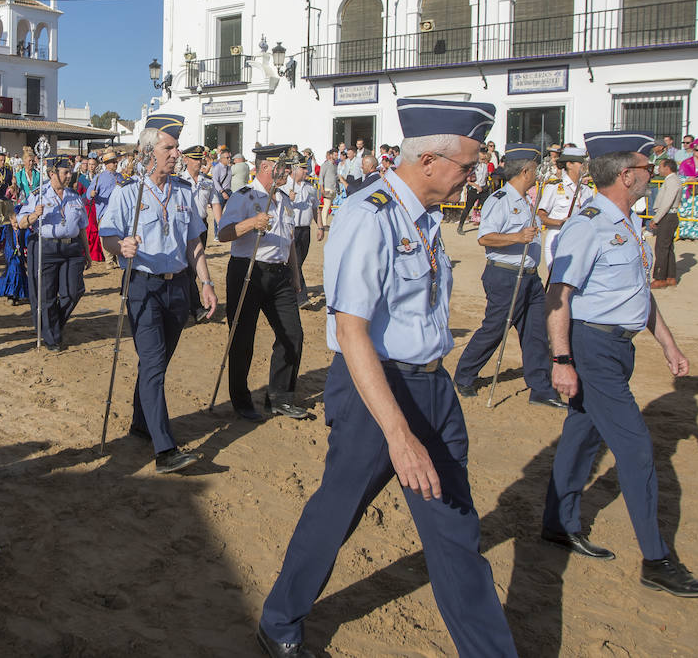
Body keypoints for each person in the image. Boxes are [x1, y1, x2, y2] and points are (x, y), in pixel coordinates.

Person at [259, 98, 517, 658]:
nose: (473, 177)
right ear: (429, 161)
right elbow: (351, 331)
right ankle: (280, 620)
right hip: (374, 389)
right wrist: (398, 435)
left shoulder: (425, 217)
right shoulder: (368, 215)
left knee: (456, 528)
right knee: (338, 511)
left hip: (433, 385)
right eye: (468, 165)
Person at [542, 131, 698, 597]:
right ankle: (657, 560)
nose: (652, 175)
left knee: (582, 434)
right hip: (593, 347)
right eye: (646, 169)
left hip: (619, 346)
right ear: (625, 175)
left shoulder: (628, 222)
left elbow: (637, 294)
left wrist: (669, 345)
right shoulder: (589, 225)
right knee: (637, 449)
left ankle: (558, 522)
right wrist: (561, 359)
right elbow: (558, 294)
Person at [99, 114, 218, 474]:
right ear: (150, 152)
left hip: (178, 287)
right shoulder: (127, 193)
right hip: (143, 287)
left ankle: (141, 422)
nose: (176, 153)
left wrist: (206, 283)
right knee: (153, 363)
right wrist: (121, 246)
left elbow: (194, 243)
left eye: (177, 147)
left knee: (158, 363)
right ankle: (165, 449)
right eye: (170, 147)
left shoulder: (183, 192)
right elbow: (107, 236)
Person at [452, 145, 565, 408]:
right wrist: (517, 237)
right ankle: (465, 374)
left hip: (530, 276)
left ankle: (541, 388)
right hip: (506, 275)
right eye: (535, 169)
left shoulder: (526, 200)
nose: (537, 174)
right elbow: (485, 238)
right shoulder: (500, 199)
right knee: (495, 329)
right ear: (525, 171)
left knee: (536, 333)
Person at [217, 145, 309, 421]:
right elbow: (223, 233)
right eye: (284, 167)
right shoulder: (244, 196)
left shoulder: (284, 199)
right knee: (243, 337)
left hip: (279, 275)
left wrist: (295, 275)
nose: (289, 172)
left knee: (292, 334)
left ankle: (280, 397)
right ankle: (241, 399)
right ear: (267, 167)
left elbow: (289, 241)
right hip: (248, 270)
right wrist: (251, 223)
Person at [18, 155, 89, 350]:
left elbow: (82, 226)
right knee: (46, 295)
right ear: (52, 174)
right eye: (65, 173)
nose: (69, 176)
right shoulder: (38, 194)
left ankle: (52, 324)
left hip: (72, 248)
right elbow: (21, 223)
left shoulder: (74, 196)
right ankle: (51, 337)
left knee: (74, 292)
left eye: (70, 172)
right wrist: (34, 215)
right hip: (46, 247)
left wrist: (87, 252)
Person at [179, 145, 221, 322]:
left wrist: (221, 224)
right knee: (187, 269)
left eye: (200, 159)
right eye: (195, 159)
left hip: (201, 226)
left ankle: (188, 304)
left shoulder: (207, 182)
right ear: (186, 159)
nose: (198, 162)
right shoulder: (178, 180)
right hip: (183, 226)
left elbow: (215, 203)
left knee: (195, 268)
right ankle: (195, 307)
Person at [537, 149, 592, 268]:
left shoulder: (587, 190)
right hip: (558, 238)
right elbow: (541, 216)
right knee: (557, 277)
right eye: (581, 163)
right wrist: (560, 222)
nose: (585, 166)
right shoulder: (555, 187)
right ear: (569, 164)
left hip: (580, 240)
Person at [287, 158, 323, 309]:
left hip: (305, 230)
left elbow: (316, 208)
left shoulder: (310, 188)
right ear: (295, 169)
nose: (306, 171)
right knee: (295, 263)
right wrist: (289, 200)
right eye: (303, 168)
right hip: (290, 229)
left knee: (298, 262)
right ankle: (301, 297)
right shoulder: (285, 186)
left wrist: (320, 227)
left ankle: (290, 290)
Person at [647, 158, 683, 287]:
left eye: (661, 167)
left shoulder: (672, 181)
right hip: (669, 215)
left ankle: (660, 277)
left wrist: (656, 218)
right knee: (668, 247)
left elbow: (667, 202)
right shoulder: (672, 180)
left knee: (661, 248)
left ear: (667, 168)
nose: (659, 169)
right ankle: (670, 276)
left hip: (667, 216)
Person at [456, 148, 494, 233]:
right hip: (473, 190)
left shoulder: (485, 166)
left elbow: (485, 178)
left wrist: (486, 185)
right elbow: (467, 180)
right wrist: (476, 186)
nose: (484, 155)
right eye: (482, 153)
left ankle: (486, 226)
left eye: (485, 153)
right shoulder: (473, 166)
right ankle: (460, 226)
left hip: (483, 189)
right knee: (468, 207)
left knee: (486, 207)